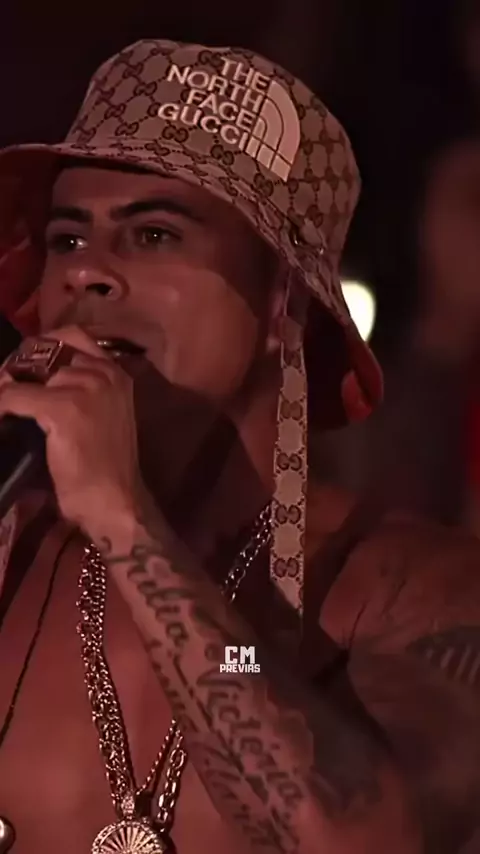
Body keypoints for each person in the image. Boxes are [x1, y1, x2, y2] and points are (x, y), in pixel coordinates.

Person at [0, 38, 479, 854]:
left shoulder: (413, 588)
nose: (86, 274)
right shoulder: (13, 555)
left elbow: (363, 837)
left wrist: (127, 525)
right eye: (67, 240)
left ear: (282, 303)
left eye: (154, 234)